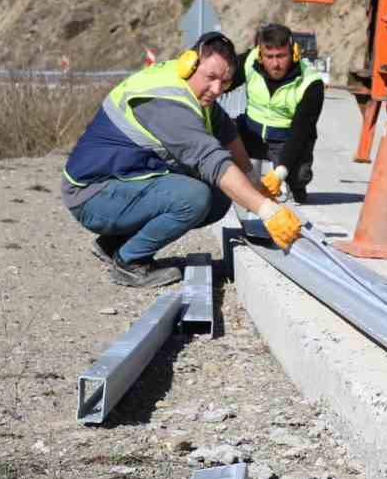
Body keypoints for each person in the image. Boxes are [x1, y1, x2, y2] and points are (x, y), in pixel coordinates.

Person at [61, 31, 290, 287]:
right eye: (211, 77)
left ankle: (113, 243)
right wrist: (267, 210)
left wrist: (252, 181)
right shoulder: (167, 102)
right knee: (194, 197)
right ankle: (129, 262)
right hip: (92, 194)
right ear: (189, 64)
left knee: (218, 195)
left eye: (224, 82)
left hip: (121, 181)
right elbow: (213, 161)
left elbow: (226, 133)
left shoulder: (190, 87)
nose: (216, 89)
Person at [230, 23, 325, 203]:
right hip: (250, 132)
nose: (275, 64)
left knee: (298, 175)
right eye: (269, 57)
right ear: (260, 54)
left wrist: (281, 171)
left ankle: (297, 185)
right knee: (221, 136)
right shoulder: (249, 61)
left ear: (294, 53)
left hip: (286, 139)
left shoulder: (311, 83)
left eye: (281, 56)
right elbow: (223, 81)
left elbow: (300, 133)